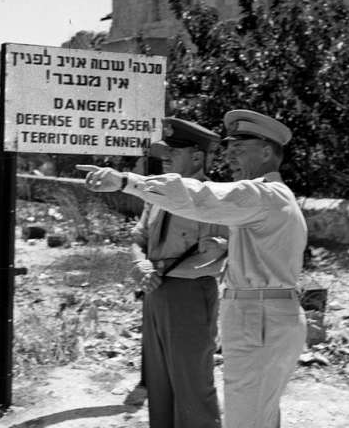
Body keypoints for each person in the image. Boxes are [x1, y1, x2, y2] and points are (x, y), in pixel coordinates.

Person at [77, 110, 307, 428]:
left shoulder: (262, 194)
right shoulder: (274, 198)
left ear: (266, 152)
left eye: (239, 148)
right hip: (264, 314)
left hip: (257, 318)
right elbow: (264, 251)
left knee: (242, 417)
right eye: (229, 148)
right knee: (259, 417)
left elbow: (201, 197)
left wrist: (125, 181)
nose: (230, 156)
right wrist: (224, 249)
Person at [125, 117, 227, 428]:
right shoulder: (156, 193)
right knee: (159, 383)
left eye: (174, 152)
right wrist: (139, 264)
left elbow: (222, 250)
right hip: (154, 291)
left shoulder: (213, 197)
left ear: (197, 157)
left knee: (192, 384)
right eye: (165, 152)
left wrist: (221, 246)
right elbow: (138, 238)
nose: (166, 158)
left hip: (189, 294)